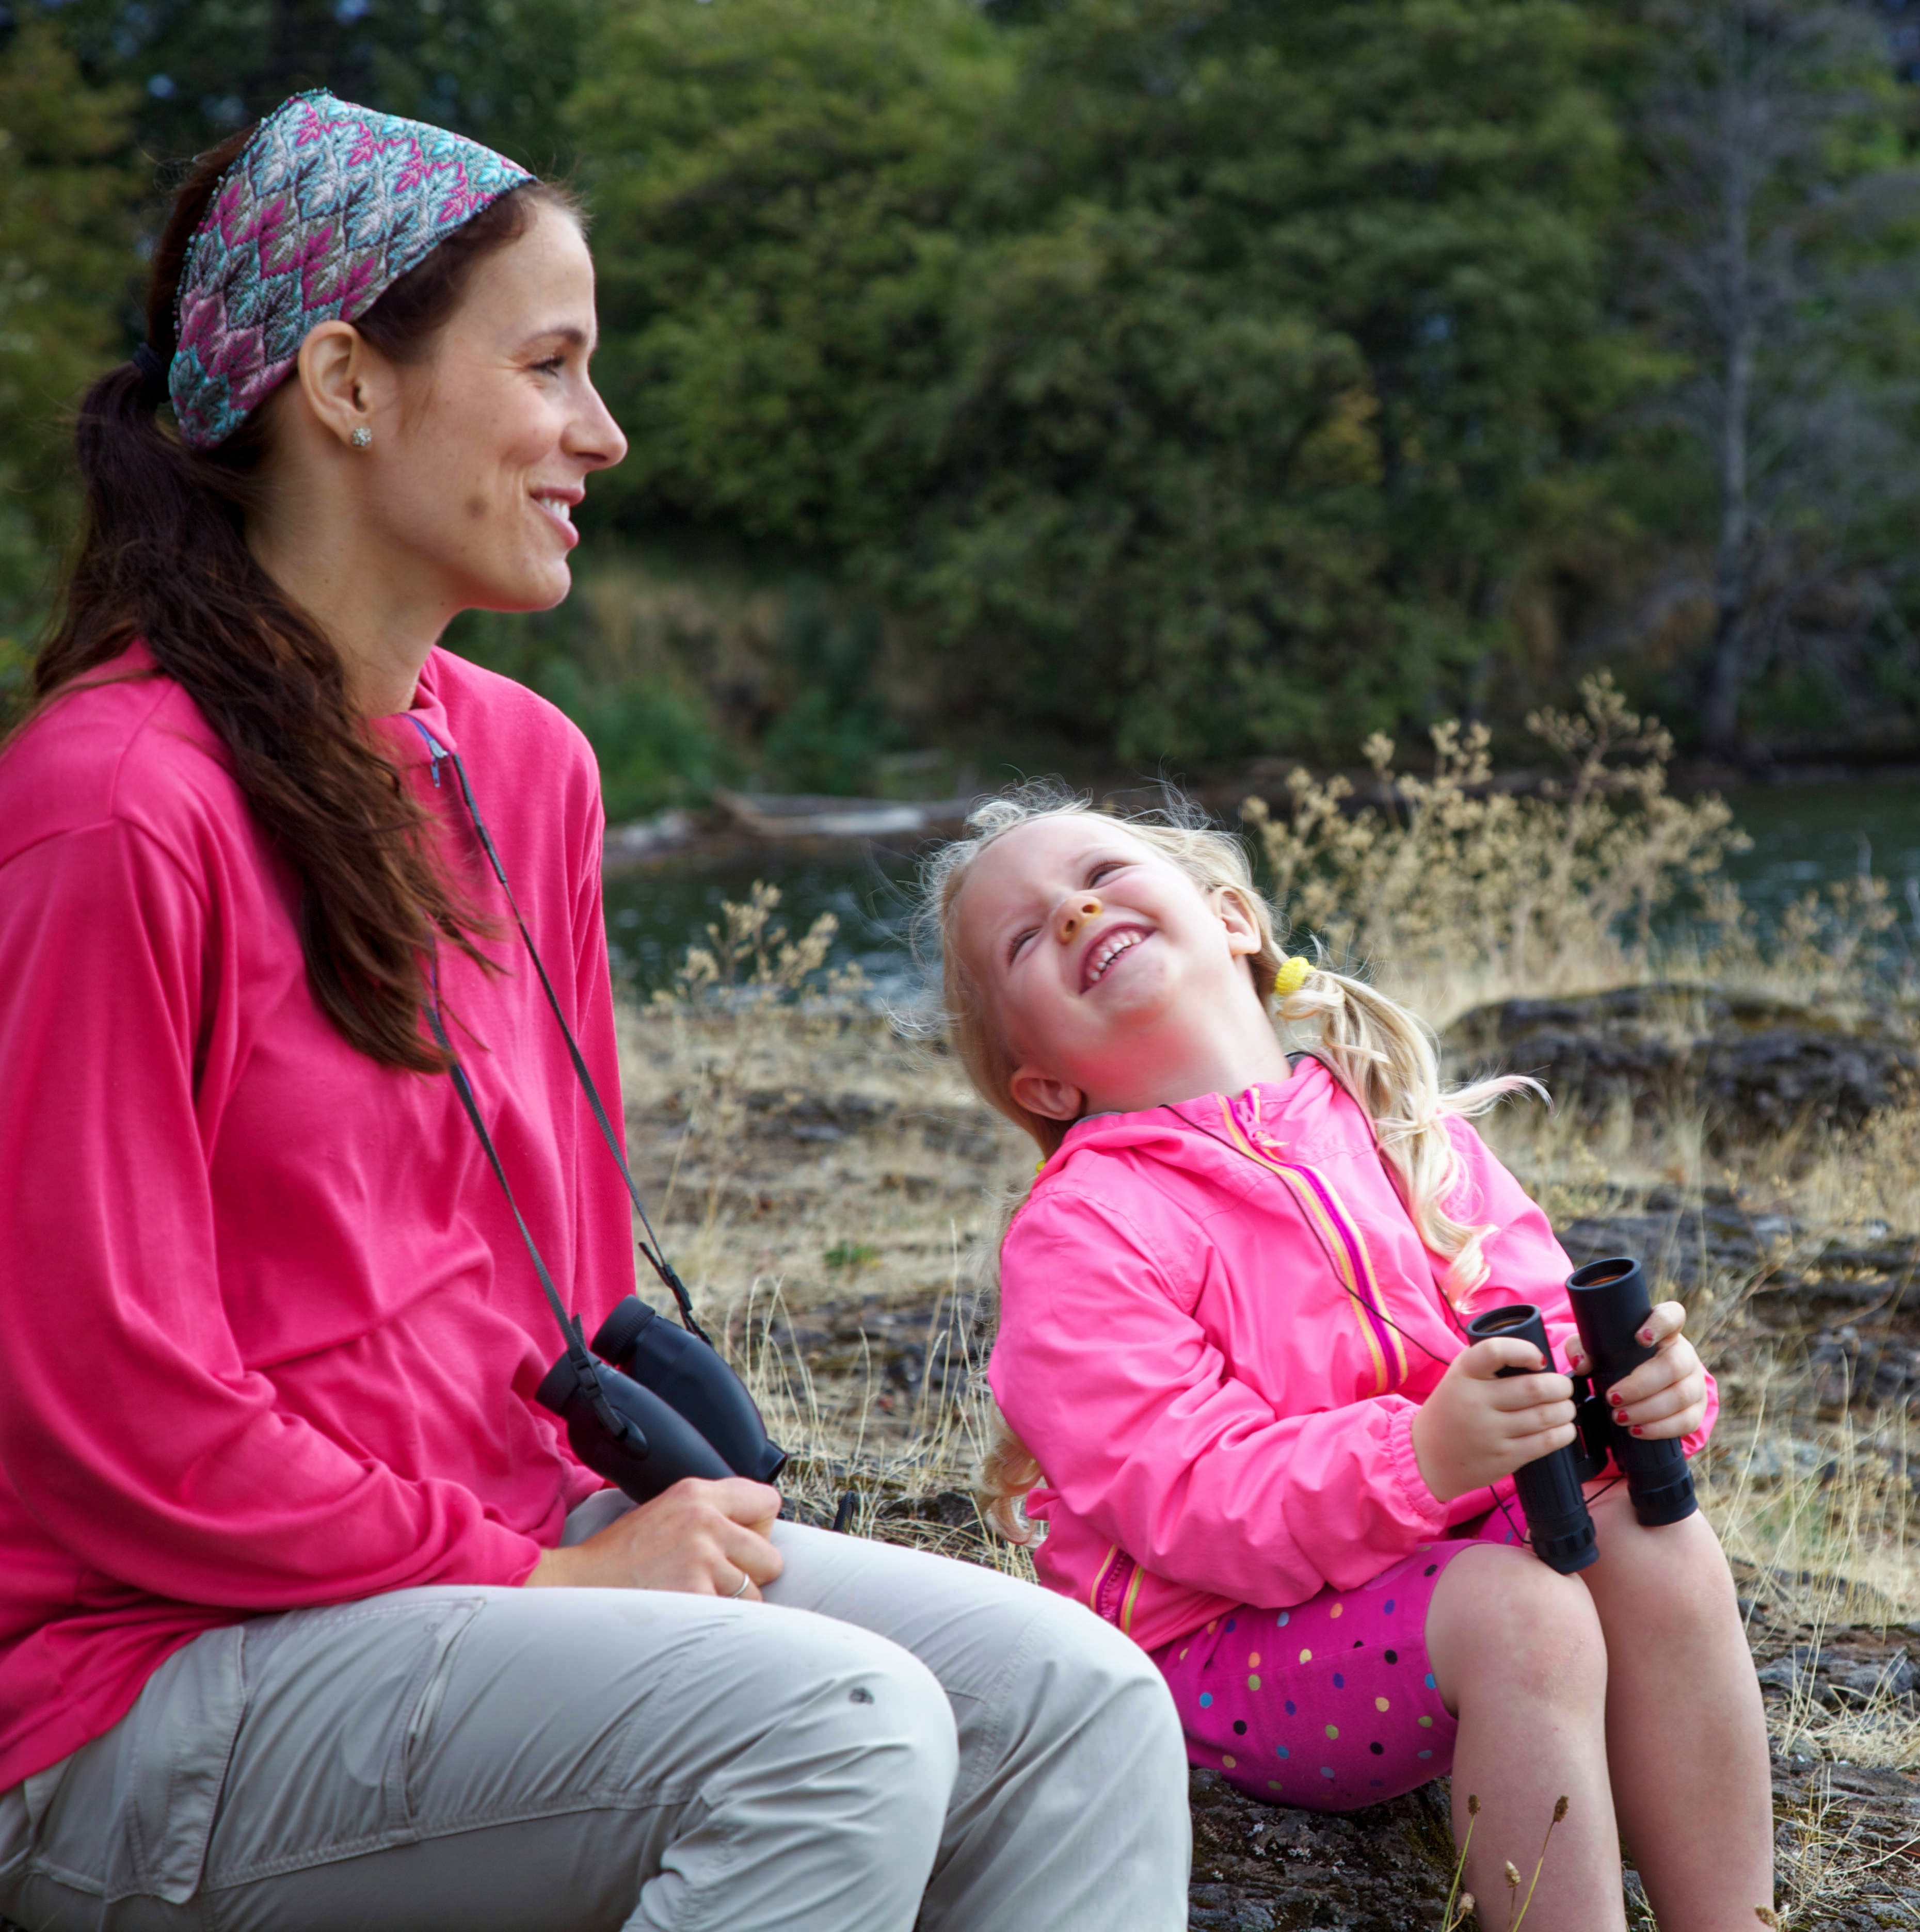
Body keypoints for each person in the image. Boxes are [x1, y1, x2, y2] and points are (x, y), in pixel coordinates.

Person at [0, 93, 1186, 1932]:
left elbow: (540, 1278)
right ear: (346, 382)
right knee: (837, 1728)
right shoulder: (111, 807)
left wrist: (569, 1550)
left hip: (483, 1576)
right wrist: (538, 1580)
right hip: (142, 1675)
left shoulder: (525, 770)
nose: (602, 435)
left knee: (1082, 1705)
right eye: (550, 365)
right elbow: (104, 1405)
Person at [925, 787, 1778, 1931]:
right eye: (1025, 938)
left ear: (1229, 916)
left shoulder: (1396, 1123)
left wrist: (1642, 1402)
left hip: (1430, 1568)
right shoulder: (1084, 1230)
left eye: (1101, 875)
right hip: (1224, 1648)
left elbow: (1544, 1333)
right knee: (1523, 1616)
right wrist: (1421, 1455)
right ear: (1044, 1084)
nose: (1075, 913)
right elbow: (1188, 1496)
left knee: (1660, 1542)